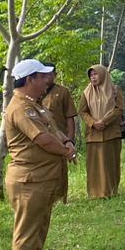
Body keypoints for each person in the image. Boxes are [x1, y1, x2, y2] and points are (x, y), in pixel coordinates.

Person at [3, 58, 76, 250]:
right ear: (30, 79)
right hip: (28, 179)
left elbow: (53, 130)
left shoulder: (36, 105)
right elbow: (42, 139)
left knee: (40, 226)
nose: (47, 80)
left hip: (42, 177)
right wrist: (66, 152)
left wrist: (67, 141)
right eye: (42, 76)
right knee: (27, 229)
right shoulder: (21, 107)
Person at [80, 65, 125, 199]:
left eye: (96, 74)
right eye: (91, 75)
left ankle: (111, 191)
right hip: (93, 135)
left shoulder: (115, 90)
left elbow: (119, 108)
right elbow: (82, 111)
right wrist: (94, 122)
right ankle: (95, 193)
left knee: (111, 163)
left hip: (111, 133)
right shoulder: (86, 92)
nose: (93, 77)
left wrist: (104, 121)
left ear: (103, 75)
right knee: (94, 166)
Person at [40, 66, 77, 203]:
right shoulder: (36, 93)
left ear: (55, 75)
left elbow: (70, 117)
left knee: (60, 167)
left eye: (50, 74)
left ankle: (62, 197)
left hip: (60, 135)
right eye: (43, 74)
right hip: (42, 135)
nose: (47, 77)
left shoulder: (62, 92)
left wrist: (70, 139)